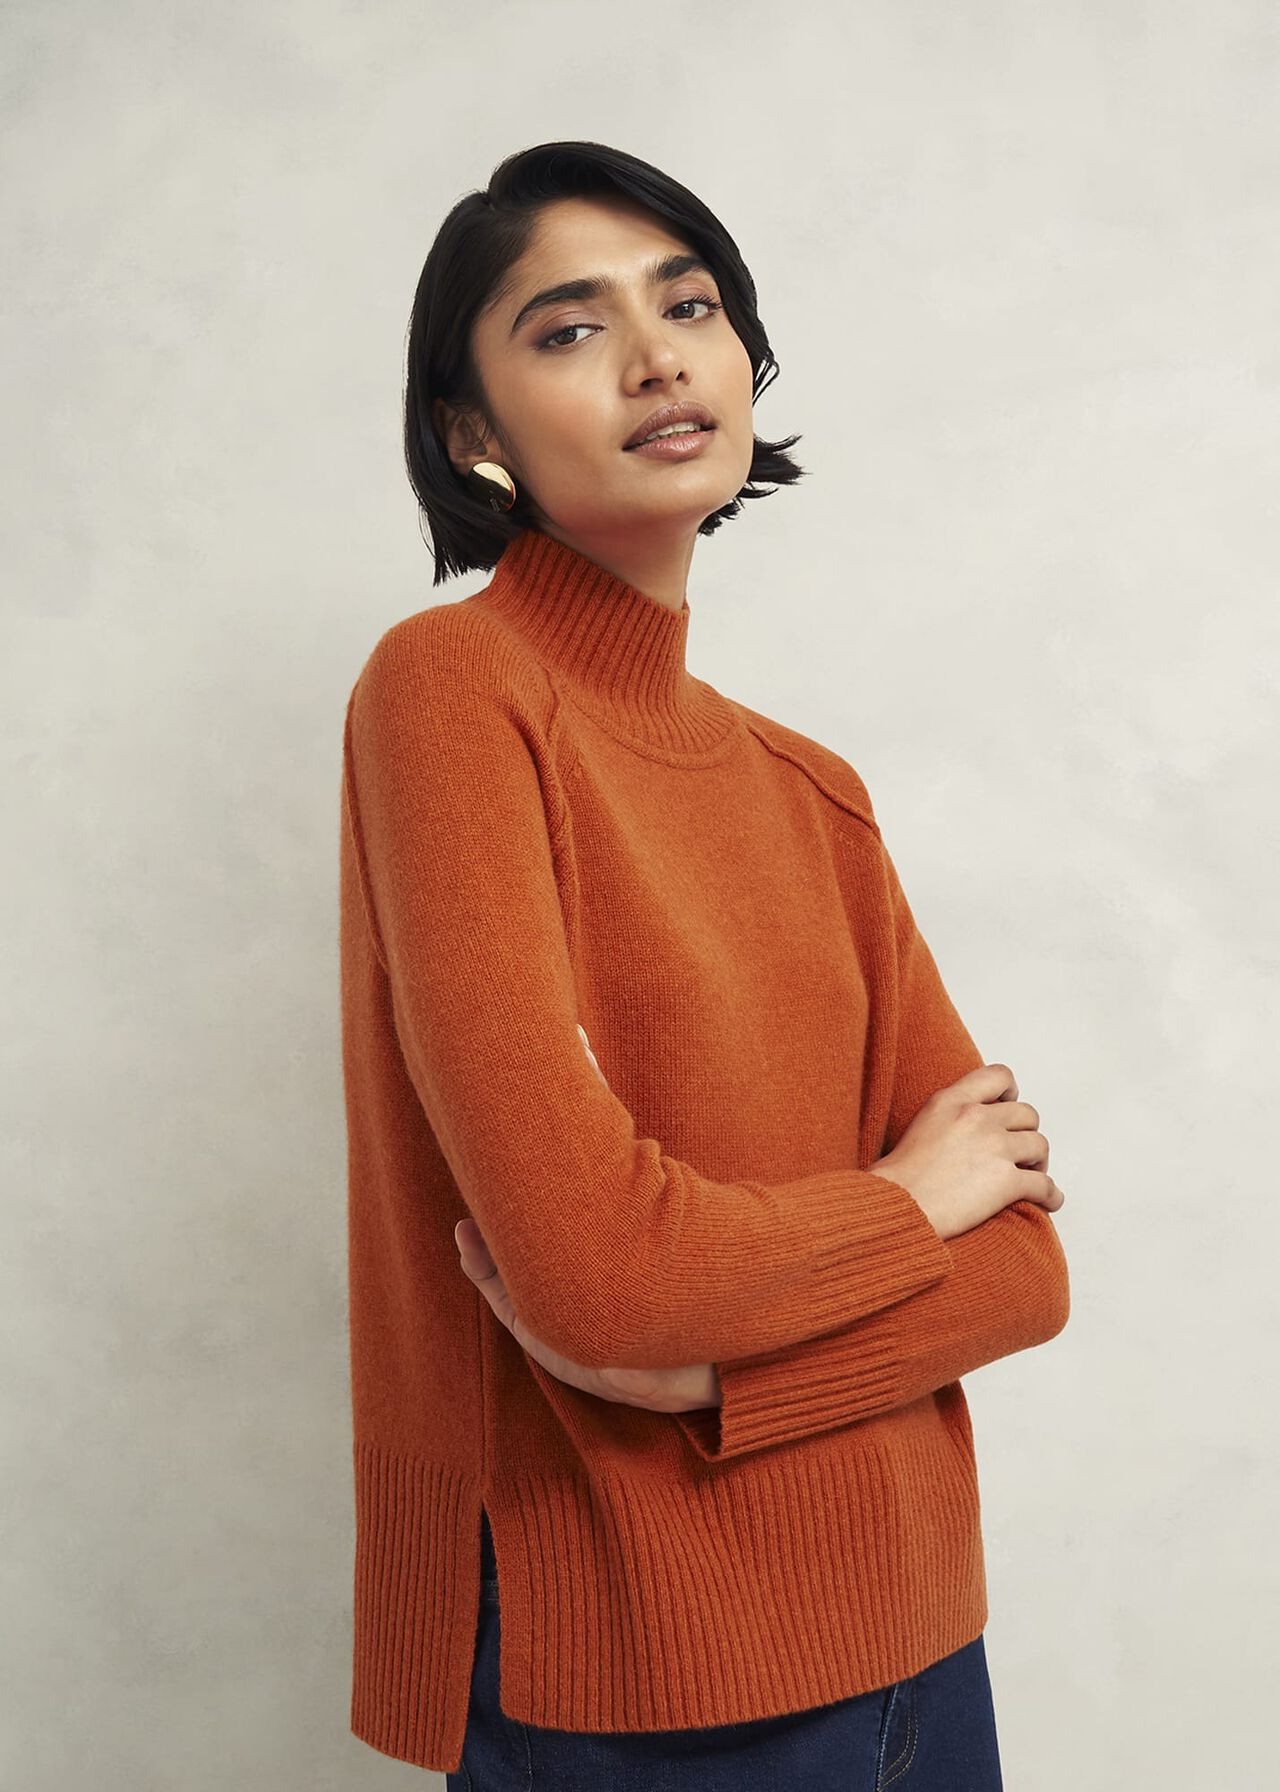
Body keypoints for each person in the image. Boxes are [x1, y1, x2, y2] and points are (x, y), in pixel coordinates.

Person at [337, 139, 1070, 1789]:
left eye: (689, 305)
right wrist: (908, 1203)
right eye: (568, 329)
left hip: (923, 1645)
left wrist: (712, 1376)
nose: (658, 356)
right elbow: (597, 1277)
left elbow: (1026, 1268)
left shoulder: (811, 787)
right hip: (642, 1669)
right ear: (469, 433)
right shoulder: (455, 691)